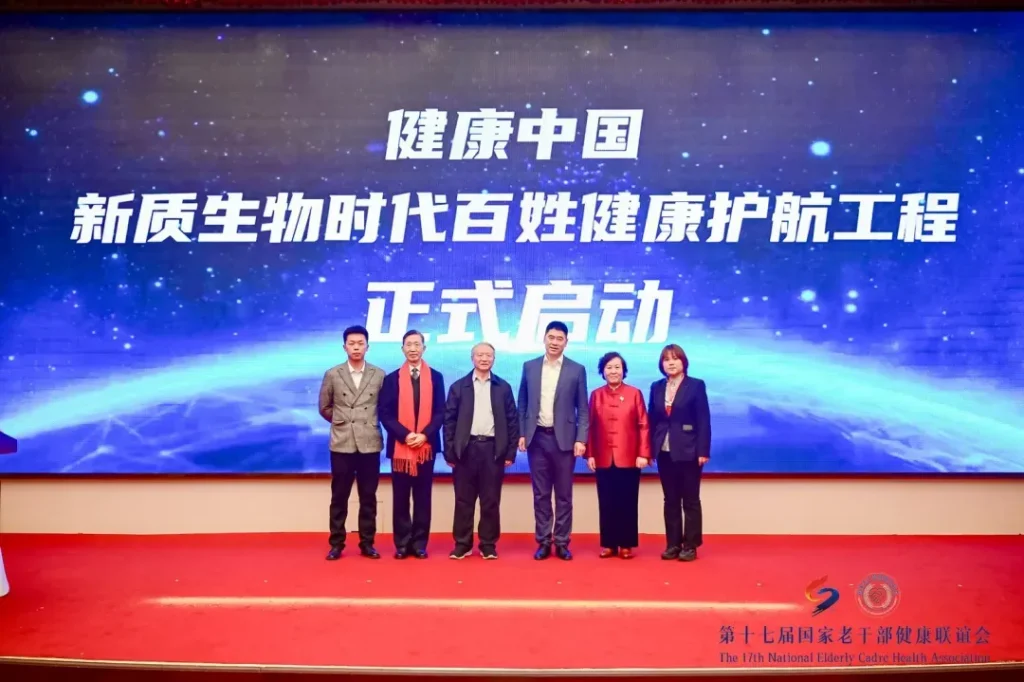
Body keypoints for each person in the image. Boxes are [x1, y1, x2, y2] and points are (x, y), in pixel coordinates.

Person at [518, 321, 589, 561]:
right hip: (537, 438)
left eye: (560, 338)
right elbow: (522, 403)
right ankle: (543, 541)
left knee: (564, 495)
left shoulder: (576, 370)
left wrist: (581, 438)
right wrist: (522, 433)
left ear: (566, 342)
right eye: (551, 337)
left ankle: (562, 542)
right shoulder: (529, 367)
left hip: (565, 441)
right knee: (540, 494)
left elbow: (583, 408)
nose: (555, 342)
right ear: (544, 338)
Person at [443, 342, 519, 560]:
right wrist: (450, 452)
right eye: (480, 355)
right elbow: (449, 422)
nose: (484, 359)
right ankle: (462, 544)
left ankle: (488, 544)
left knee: (491, 500)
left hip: (493, 450)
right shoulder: (459, 387)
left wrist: (510, 452)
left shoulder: (503, 387)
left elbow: (512, 421)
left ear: (494, 359)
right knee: (463, 500)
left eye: (488, 355)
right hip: (465, 450)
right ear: (472, 358)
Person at [318, 325, 386, 560]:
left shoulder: (379, 375)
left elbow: (384, 407)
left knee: (368, 497)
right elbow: (324, 407)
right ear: (344, 346)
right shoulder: (333, 374)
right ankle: (336, 543)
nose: (356, 347)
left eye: (360, 343)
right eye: (352, 343)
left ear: (367, 346)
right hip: (342, 442)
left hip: (369, 442)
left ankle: (367, 543)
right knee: (339, 496)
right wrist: (342, 422)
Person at [379, 330, 445, 559]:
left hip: (426, 448)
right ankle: (401, 544)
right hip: (401, 448)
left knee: (423, 498)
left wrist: (424, 435)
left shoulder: (436, 377)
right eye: (409, 344)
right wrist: (406, 435)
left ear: (424, 348)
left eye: (417, 344)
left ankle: (419, 544)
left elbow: (440, 412)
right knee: (400, 498)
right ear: (402, 349)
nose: (413, 348)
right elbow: (385, 413)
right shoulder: (391, 379)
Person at [648, 344, 711, 562]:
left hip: (689, 451)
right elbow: (652, 420)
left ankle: (690, 545)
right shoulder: (656, 387)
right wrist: (649, 450)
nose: (671, 363)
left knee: (690, 500)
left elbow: (703, 419)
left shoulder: (696, 385)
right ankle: (673, 544)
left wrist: (703, 450)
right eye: (666, 359)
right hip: (664, 452)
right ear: (661, 364)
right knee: (670, 499)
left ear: (683, 362)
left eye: (675, 358)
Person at [586, 352, 650, 559]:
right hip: (603, 456)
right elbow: (590, 426)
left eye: (617, 367)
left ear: (624, 371)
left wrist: (643, 454)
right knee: (606, 501)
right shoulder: (596, 395)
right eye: (609, 367)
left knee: (627, 500)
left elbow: (643, 425)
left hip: (630, 456)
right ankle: (609, 544)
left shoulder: (634, 393)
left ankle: (626, 544)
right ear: (603, 371)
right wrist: (590, 454)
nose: (613, 371)